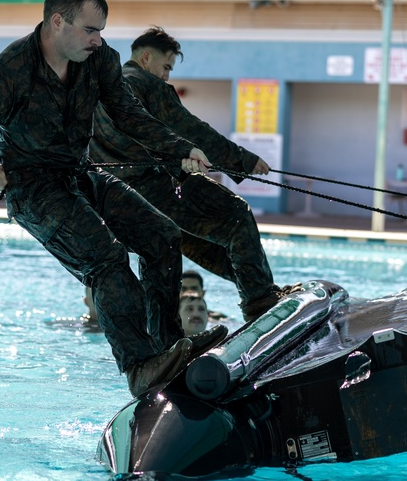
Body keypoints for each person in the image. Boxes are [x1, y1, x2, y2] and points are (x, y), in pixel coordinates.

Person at [0, 0, 226, 398]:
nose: (98, 41)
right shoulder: (11, 71)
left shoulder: (100, 60)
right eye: (90, 30)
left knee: (162, 236)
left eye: (101, 32)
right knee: (107, 259)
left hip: (80, 174)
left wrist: (181, 149)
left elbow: (128, 114)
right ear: (58, 22)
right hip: (34, 189)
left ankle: (169, 350)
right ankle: (140, 368)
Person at [89, 26, 292, 322]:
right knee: (236, 215)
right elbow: (189, 128)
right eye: (166, 66)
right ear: (146, 57)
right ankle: (260, 300)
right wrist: (242, 159)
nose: (167, 76)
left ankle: (257, 290)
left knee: (195, 240)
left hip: (120, 199)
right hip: (159, 185)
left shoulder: (100, 91)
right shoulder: (143, 83)